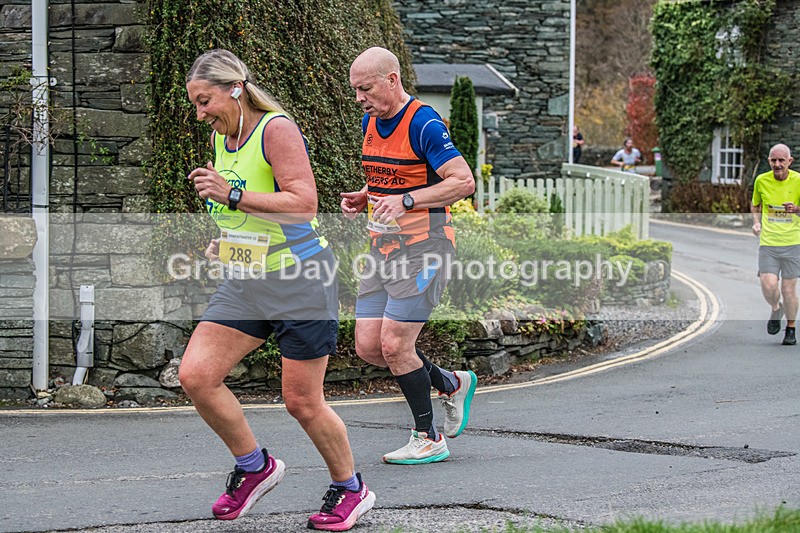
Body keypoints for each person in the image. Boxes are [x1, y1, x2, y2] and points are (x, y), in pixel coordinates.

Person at [180, 49, 374, 531]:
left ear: (234, 89)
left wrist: (232, 194)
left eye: (206, 101)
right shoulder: (222, 137)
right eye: (196, 105)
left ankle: (352, 488)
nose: (201, 113)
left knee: (302, 401)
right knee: (196, 375)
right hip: (247, 281)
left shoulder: (276, 129)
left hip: (300, 281)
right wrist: (226, 243)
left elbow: (303, 203)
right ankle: (254, 467)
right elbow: (248, 217)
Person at [341, 46, 478, 465]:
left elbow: (463, 181)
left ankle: (428, 436)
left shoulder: (424, 123)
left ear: (391, 80)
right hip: (382, 248)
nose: (360, 98)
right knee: (369, 346)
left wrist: (407, 202)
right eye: (356, 91)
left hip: (425, 248)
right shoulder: (371, 121)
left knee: (396, 343)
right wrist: (367, 196)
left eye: (365, 88)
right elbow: (392, 176)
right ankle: (452, 382)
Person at [751, 143, 800, 346]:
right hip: (769, 243)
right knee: (768, 285)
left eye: (781, 160)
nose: (777, 164)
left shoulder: (798, 180)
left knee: (789, 290)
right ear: (769, 161)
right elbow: (755, 204)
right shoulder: (761, 181)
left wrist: (796, 209)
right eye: (773, 160)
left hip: (793, 243)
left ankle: (790, 328)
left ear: (790, 161)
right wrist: (756, 221)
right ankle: (775, 308)